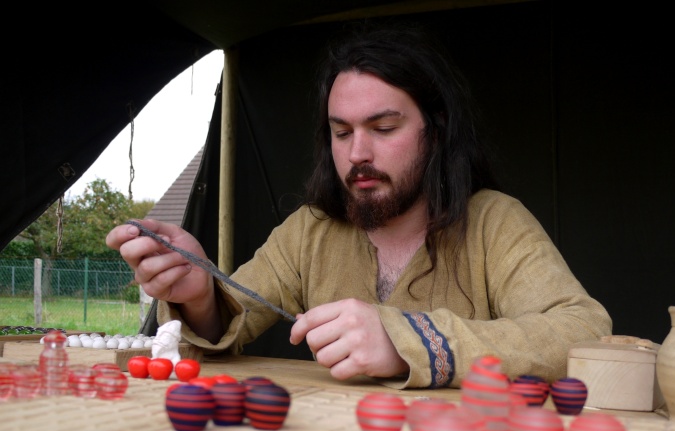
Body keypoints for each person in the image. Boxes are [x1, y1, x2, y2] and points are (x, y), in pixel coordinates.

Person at [107, 21, 612, 389]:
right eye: (341, 132)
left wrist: (404, 340)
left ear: (435, 132)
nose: (357, 154)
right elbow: (228, 321)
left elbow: (582, 332)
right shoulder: (310, 230)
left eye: (384, 128)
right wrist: (199, 293)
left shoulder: (494, 222)